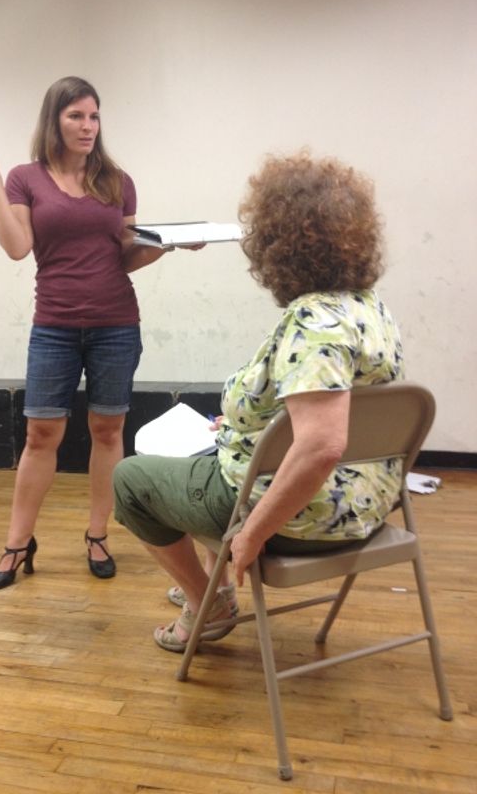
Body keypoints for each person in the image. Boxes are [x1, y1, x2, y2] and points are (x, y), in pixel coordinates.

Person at [113, 151, 405, 652]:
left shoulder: (314, 324)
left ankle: (208, 600)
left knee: (129, 481)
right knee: (211, 451)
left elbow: (321, 446)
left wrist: (250, 536)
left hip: (301, 517)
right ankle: (212, 585)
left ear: (280, 244)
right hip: (368, 504)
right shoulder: (368, 307)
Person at [0, 76, 199, 590]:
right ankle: (16, 544)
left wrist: (170, 245)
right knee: (40, 435)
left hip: (116, 324)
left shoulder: (117, 181)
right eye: (76, 116)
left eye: (94, 116)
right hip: (54, 326)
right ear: (55, 120)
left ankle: (98, 535)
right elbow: (16, 247)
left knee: (107, 431)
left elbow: (126, 256)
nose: (88, 126)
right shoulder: (26, 179)